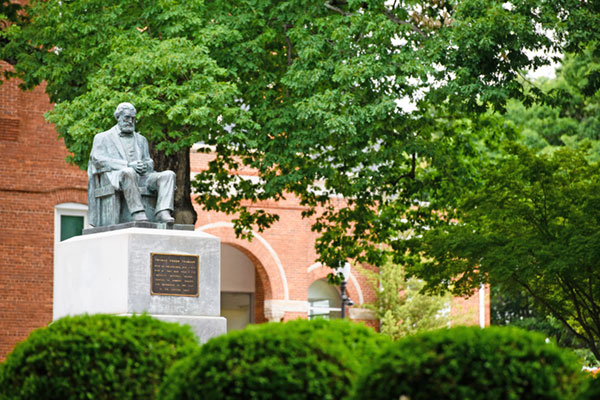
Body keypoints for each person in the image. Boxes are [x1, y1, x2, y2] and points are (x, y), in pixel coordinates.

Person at [88, 102, 175, 224]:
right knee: (128, 172)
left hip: (143, 176)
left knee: (168, 175)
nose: (130, 121)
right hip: (117, 176)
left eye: (133, 118)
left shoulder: (141, 139)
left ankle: (162, 211)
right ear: (118, 117)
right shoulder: (102, 137)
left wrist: (145, 165)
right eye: (127, 118)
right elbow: (97, 160)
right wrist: (127, 165)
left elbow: (148, 161)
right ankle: (138, 213)